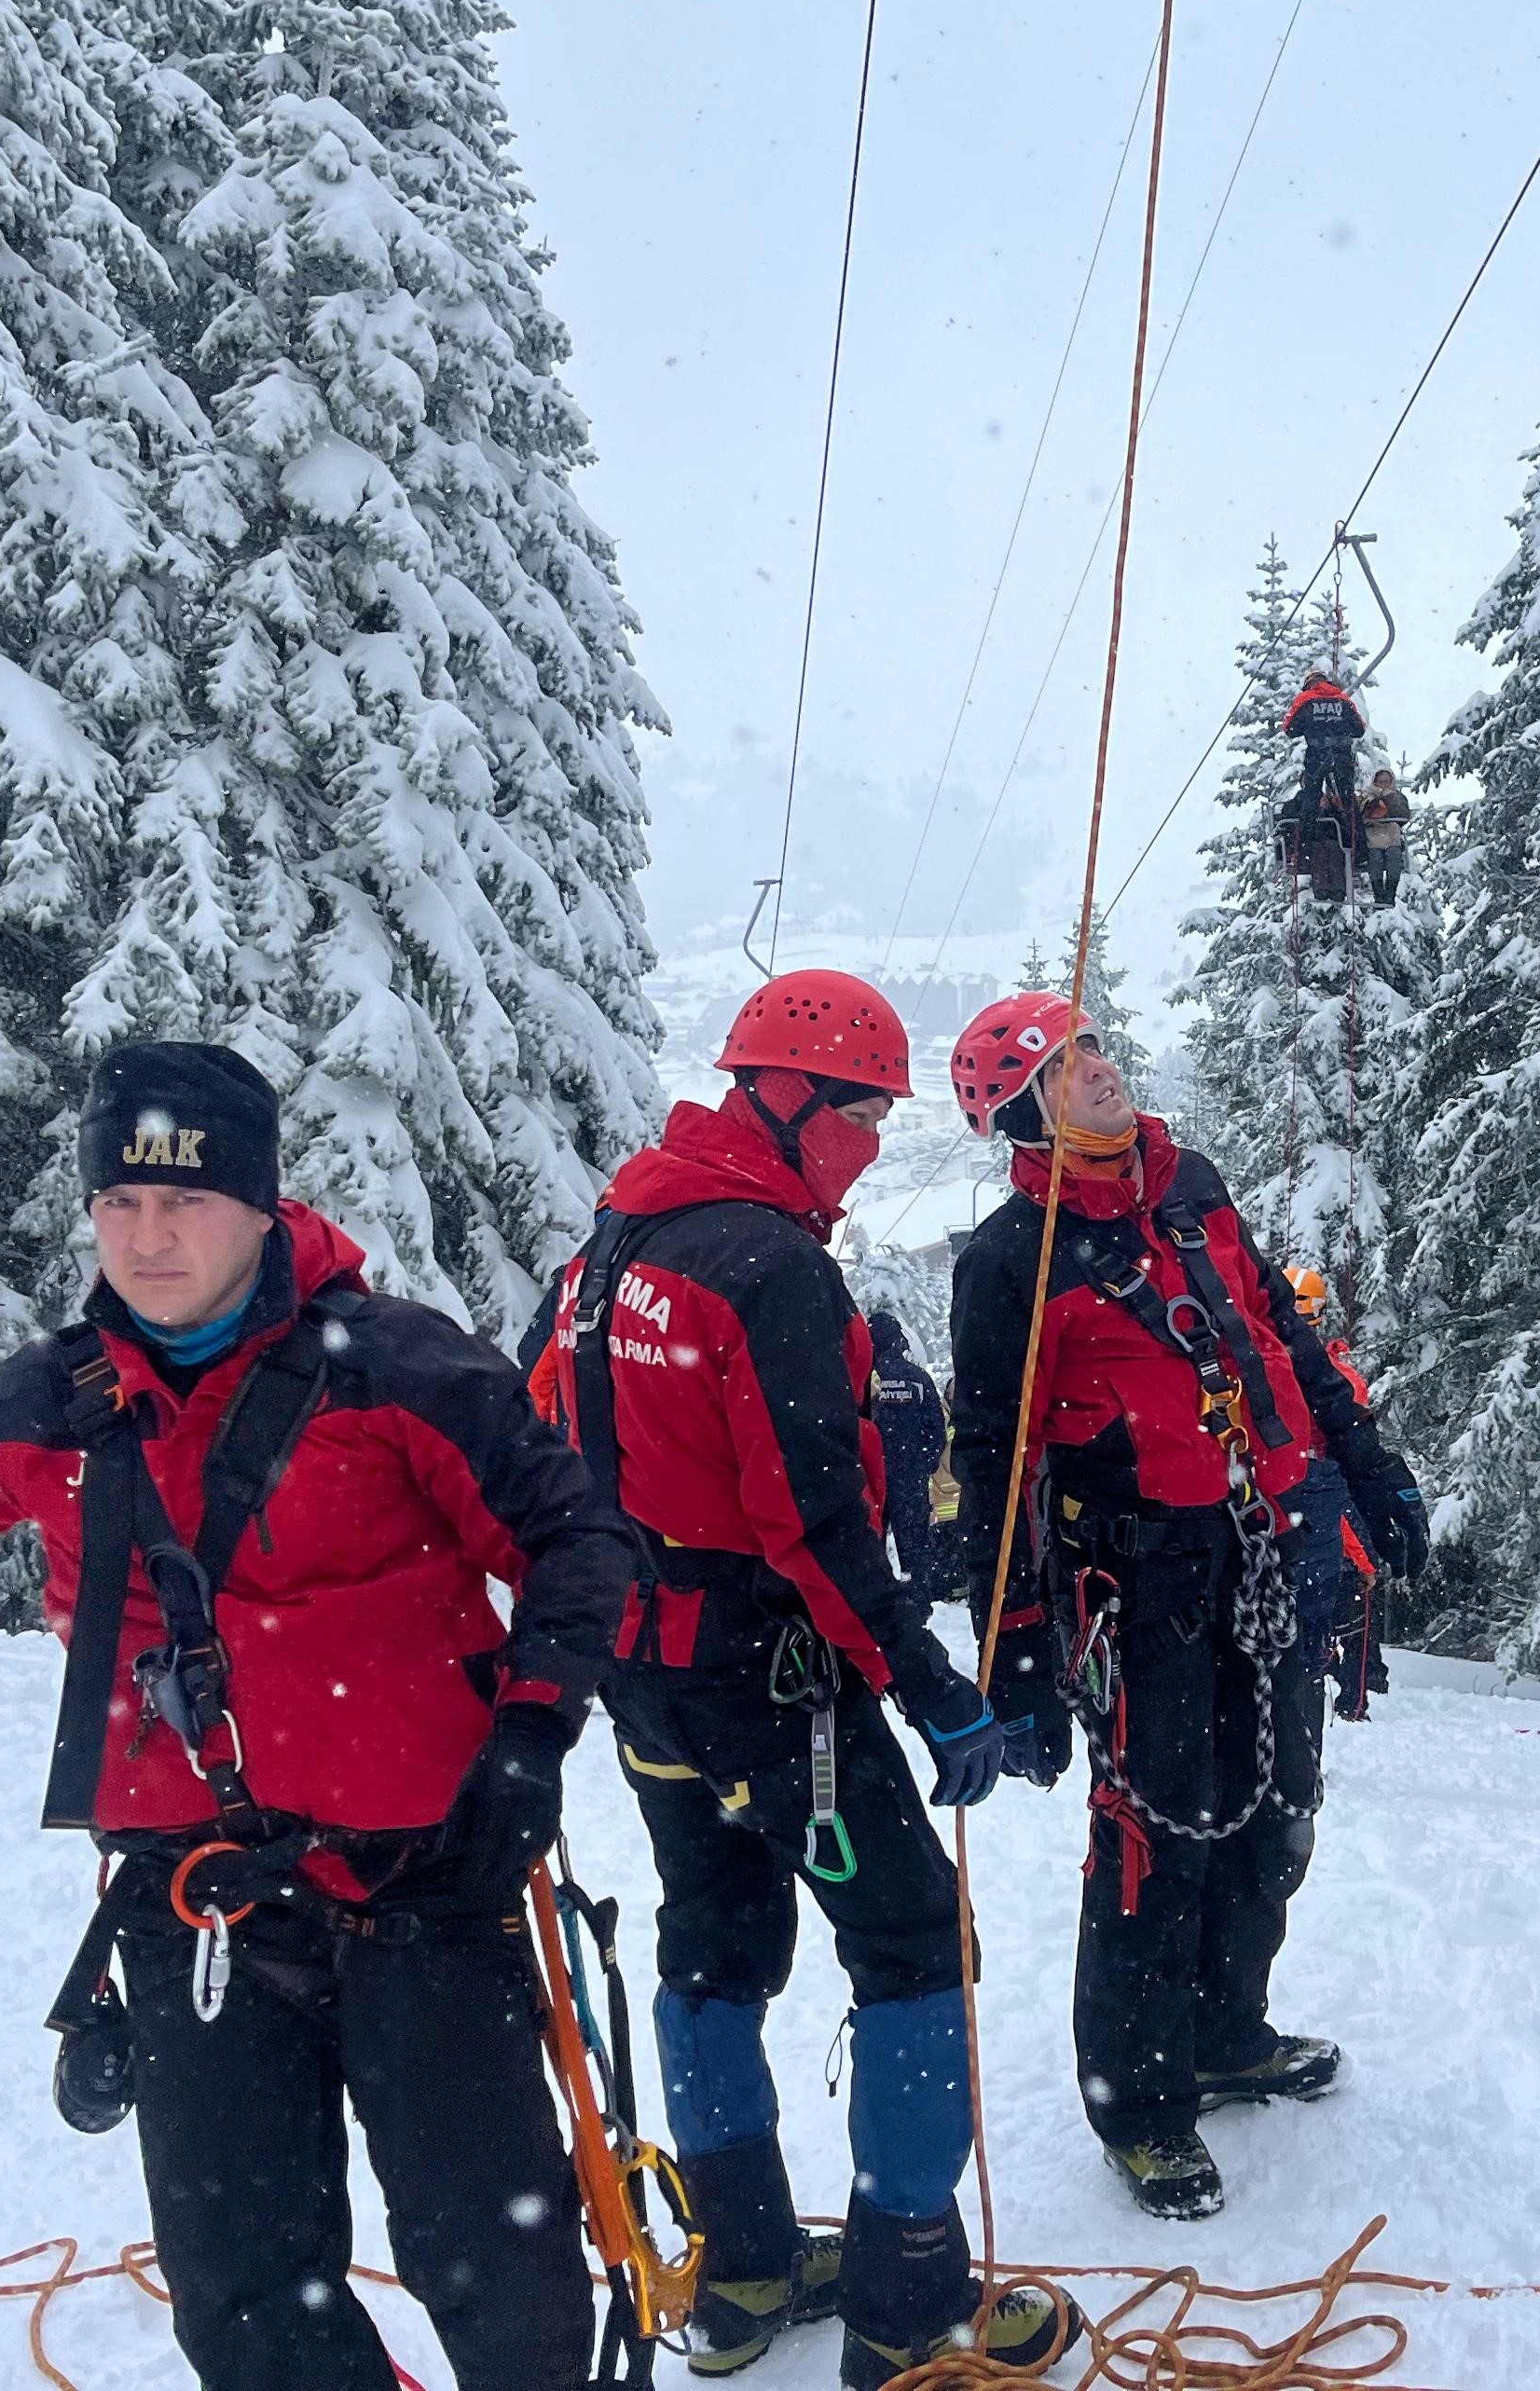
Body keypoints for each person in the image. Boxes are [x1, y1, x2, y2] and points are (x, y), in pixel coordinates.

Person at [0, 1043, 637, 2391]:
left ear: (260, 1205)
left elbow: (578, 1538)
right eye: (120, 1204)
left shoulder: (397, 1372)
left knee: (502, 2276)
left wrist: (532, 1737)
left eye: (185, 1202)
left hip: (425, 1884)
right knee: (246, 2298)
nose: (150, 1236)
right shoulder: (58, 1403)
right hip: (194, 1905)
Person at [530, 971, 1077, 2389]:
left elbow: (544, 1446)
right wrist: (930, 1689)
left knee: (712, 1950)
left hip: (647, 1687)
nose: (868, 1148)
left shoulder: (606, 1247)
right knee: (909, 1943)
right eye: (861, 1118)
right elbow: (814, 1525)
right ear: (792, 1101)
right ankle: (909, 2306)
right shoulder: (769, 1268)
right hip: (778, 1693)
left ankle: (746, 2271)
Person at [943, 990, 1430, 2219]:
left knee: (1272, 1809)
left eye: (1092, 1047)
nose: (1095, 1069)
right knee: (1157, 1835)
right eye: (1059, 1066)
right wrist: (1011, 1659)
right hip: (1141, 1580)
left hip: (1269, 1549)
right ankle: (1142, 2102)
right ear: (1020, 1114)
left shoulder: (1191, 1186)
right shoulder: (1012, 1261)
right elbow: (994, 1459)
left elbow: (1278, 1338)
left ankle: (1227, 2033)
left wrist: (1368, 1469)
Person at [1283, 1267, 1391, 1718]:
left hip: (1305, 1493)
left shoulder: (1279, 1365)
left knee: (1337, 1589)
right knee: (1353, 1586)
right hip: (1325, 1493)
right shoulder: (1337, 1375)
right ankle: (1355, 1689)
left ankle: (1354, 1685)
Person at [867, 1307, 951, 1604]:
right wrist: (923, 1463)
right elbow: (936, 1427)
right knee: (915, 1546)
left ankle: (876, 1603)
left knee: (870, 1546)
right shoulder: (918, 1379)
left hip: (871, 1478)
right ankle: (919, 1603)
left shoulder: (863, 1381)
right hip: (909, 1477)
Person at [1276, 672, 1368, 901]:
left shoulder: (1306, 699)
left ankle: (1304, 850)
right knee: (1347, 800)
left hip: (1317, 753)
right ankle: (1361, 849)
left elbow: (1289, 728)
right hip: (1341, 755)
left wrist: (1313, 727)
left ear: (1308, 683)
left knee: (1311, 799)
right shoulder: (1343, 700)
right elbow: (1359, 728)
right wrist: (1337, 728)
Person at [1356, 760, 1409, 908]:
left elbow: (1403, 815)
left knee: (1394, 858)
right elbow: (1361, 813)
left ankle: (1390, 893)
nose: (1383, 785)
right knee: (1375, 859)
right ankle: (1379, 894)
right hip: (1373, 835)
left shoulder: (1397, 796)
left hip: (1392, 834)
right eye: (1380, 782)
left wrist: (1389, 798)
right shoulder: (1367, 795)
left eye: (1386, 781)